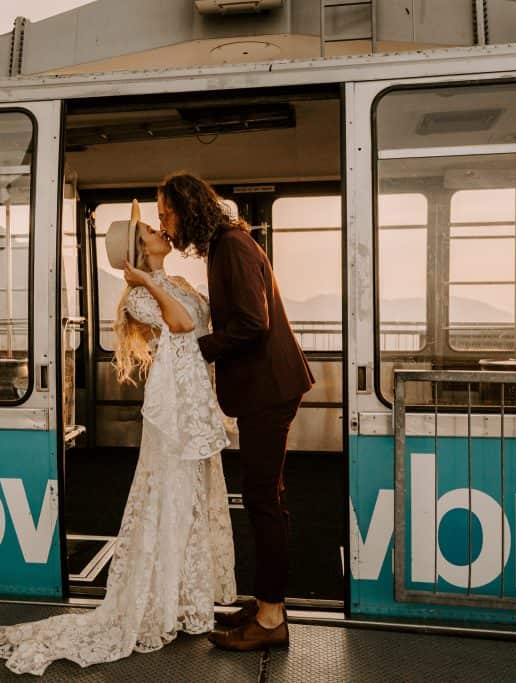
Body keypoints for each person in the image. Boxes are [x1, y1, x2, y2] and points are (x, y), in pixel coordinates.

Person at [0, 200, 236, 675]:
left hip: (195, 399)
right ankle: (160, 602)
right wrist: (142, 283)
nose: (163, 232)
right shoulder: (139, 296)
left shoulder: (178, 282)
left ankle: (188, 598)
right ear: (140, 251)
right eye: (152, 233)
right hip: (172, 409)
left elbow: (202, 324)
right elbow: (180, 325)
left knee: (195, 496)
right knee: (170, 495)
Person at [156, 172, 314, 651]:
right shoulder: (225, 245)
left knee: (264, 500)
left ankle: (270, 619)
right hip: (266, 388)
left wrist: (197, 350)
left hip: (270, 388)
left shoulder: (233, 246)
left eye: (166, 213)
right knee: (265, 496)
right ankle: (269, 603)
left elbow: (251, 323)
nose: (164, 224)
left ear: (188, 209)